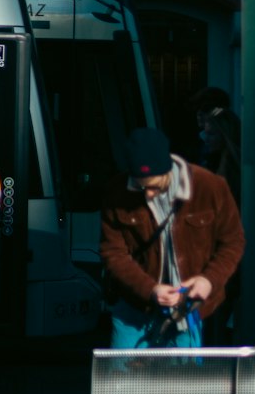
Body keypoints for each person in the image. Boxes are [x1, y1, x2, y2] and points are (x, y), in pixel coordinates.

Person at [100, 126, 245, 349]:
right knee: (121, 379)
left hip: (188, 308)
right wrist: (150, 289)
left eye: (155, 186)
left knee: (180, 380)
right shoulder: (116, 192)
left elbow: (232, 242)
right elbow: (113, 253)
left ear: (168, 170)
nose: (148, 194)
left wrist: (209, 280)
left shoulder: (210, 187)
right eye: (141, 186)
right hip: (134, 305)